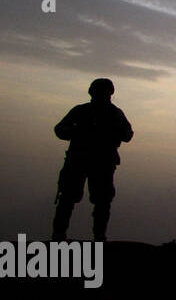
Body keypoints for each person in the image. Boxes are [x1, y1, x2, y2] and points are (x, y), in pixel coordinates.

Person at [52, 78, 133, 241]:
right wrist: (78, 132)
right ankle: (62, 234)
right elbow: (60, 129)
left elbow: (127, 135)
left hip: (98, 162)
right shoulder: (83, 111)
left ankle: (97, 236)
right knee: (70, 198)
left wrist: (110, 133)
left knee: (100, 201)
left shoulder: (113, 113)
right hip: (83, 160)